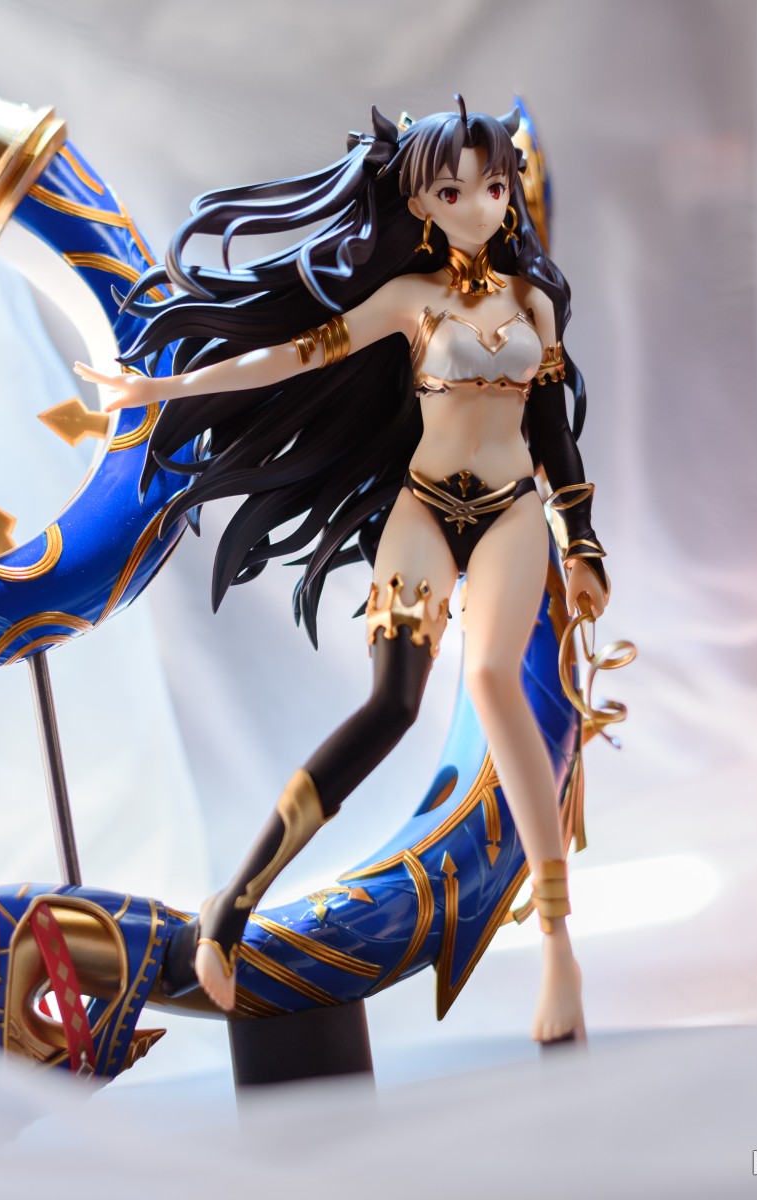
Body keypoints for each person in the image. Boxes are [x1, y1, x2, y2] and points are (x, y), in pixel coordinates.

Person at [74, 97, 607, 1044]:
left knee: (493, 682)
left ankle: (559, 948)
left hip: (512, 513)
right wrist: (167, 386)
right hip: (426, 507)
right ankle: (235, 902)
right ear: (422, 201)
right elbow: (289, 357)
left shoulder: (534, 302)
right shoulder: (408, 300)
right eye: (455, 191)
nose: (481, 206)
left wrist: (584, 543)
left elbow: (553, 433)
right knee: (390, 706)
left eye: (494, 187)